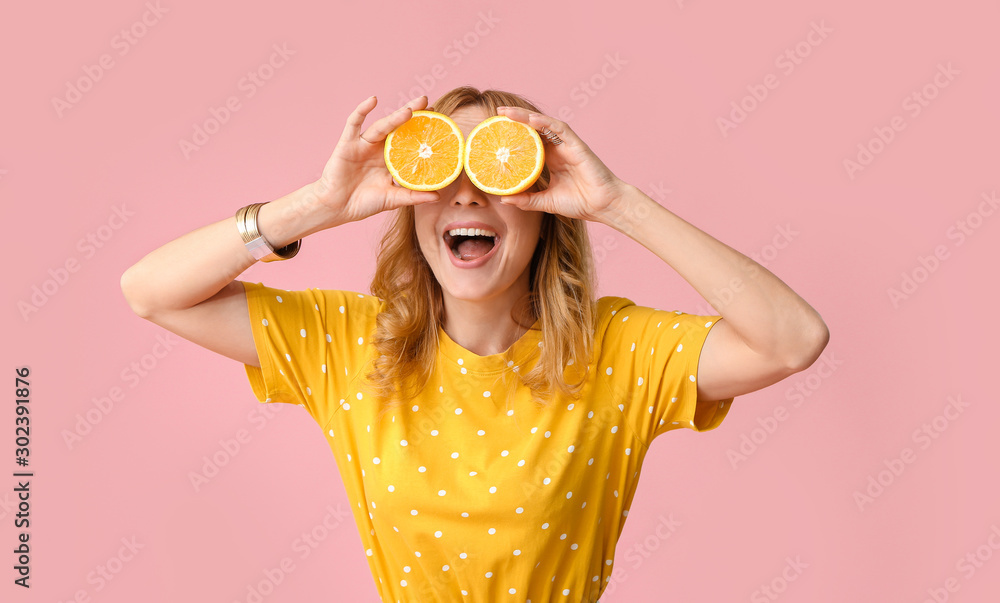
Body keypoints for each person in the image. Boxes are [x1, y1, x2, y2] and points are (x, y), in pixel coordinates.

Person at [120, 85, 829, 602]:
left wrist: (618, 203)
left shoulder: (615, 350)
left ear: (543, 206)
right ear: (412, 200)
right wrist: (316, 206)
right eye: (441, 171)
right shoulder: (351, 343)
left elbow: (794, 339)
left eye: (495, 172)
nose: (465, 197)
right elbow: (150, 289)